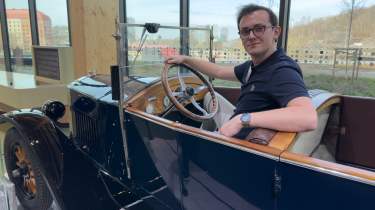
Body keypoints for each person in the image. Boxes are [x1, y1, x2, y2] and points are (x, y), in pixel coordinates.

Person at [165, 4, 317, 139]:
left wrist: (242, 120)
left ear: (276, 32)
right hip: (237, 121)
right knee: (208, 96)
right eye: (245, 31)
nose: (251, 36)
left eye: (259, 28)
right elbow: (218, 71)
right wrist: (185, 59)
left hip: (242, 138)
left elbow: (308, 117)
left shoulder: (281, 70)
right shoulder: (254, 66)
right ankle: (212, 136)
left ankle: (211, 141)